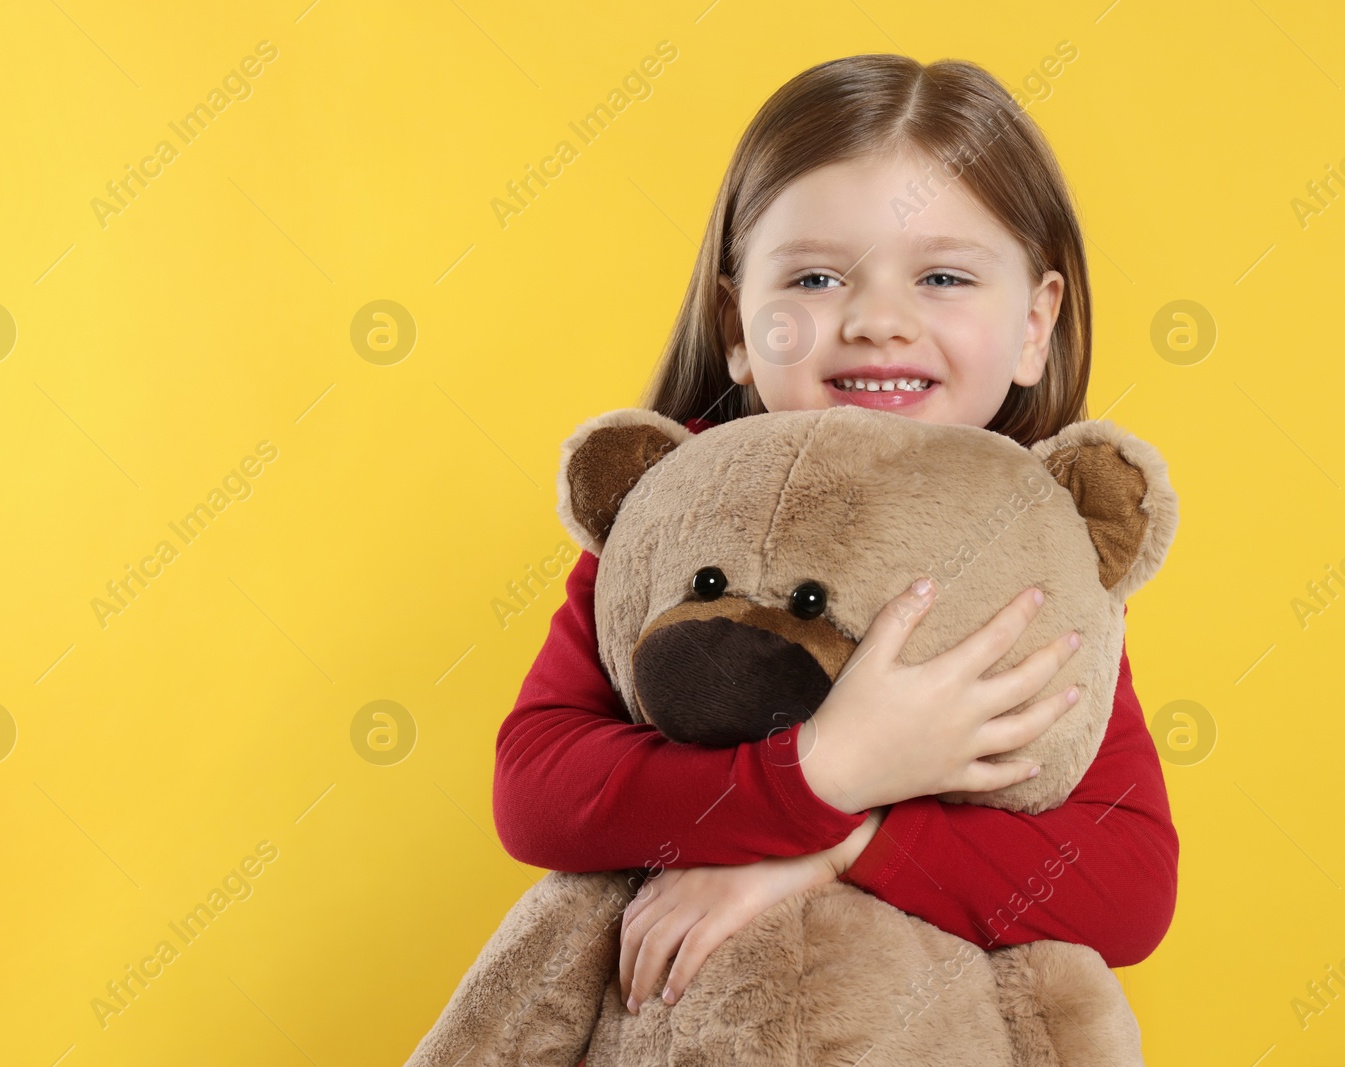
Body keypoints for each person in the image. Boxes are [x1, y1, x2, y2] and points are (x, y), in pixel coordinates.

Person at [491, 53, 1178, 1022]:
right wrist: (815, 774)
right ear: (738, 324)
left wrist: (840, 841)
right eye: (814, 277)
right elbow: (538, 790)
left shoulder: (1039, 552)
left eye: (942, 275)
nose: (876, 321)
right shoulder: (676, 514)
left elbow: (1128, 884)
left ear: (1033, 323)